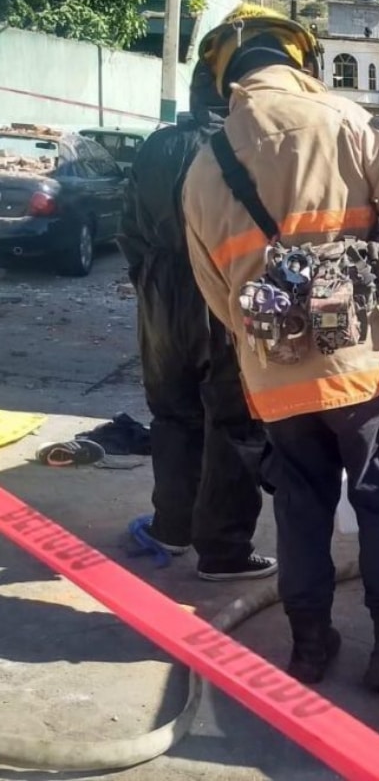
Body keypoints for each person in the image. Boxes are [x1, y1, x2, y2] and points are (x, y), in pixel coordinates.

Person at [181, 5, 379, 691]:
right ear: (298, 62)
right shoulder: (346, 124)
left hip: (275, 380)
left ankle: (309, 647)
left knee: (300, 512)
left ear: (227, 78)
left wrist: (264, 350)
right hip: (367, 372)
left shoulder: (204, 168)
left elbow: (216, 294)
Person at [117, 61, 276, 582]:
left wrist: (151, 283)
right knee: (233, 422)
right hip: (218, 287)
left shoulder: (156, 146)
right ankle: (224, 550)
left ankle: (172, 526)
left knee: (171, 413)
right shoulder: (240, 147)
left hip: (161, 296)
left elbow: (127, 228)